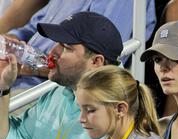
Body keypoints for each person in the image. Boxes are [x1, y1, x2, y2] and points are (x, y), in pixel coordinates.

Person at [5, 0, 156, 90]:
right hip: (17, 74)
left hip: (46, 89)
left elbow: (100, 64)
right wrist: (11, 40)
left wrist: (31, 67)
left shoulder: (121, 4)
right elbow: (33, 28)